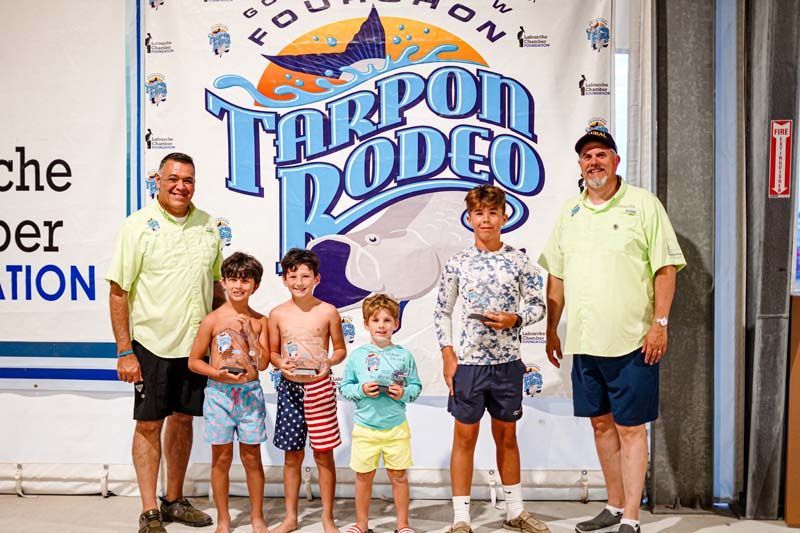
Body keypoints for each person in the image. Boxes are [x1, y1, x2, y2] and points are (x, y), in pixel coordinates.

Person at [538, 129, 686, 533]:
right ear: (580, 166)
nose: (593, 162)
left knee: (631, 428)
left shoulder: (643, 205)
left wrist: (660, 324)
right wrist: (552, 328)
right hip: (585, 343)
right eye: (586, 157)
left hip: (633, 342)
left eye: (601, 154)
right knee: (600, 424)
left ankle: (633, 518)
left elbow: (666, 268)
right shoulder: (571, 212)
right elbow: (557, 275)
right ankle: (616, 505)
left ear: (616, 161)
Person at [107, 152, 223, 533]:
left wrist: (225, 341)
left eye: (188, 180)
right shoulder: (137, 226)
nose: (180, 186)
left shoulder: (208, 226)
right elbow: (118, 291)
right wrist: (125, 351)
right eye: (173, 178)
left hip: (194, 347)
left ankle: (173, 500)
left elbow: (217, 286)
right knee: (149, 425)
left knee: (184, 419)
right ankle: (148, 511)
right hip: (151, 344)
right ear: (158, 180)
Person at [434, 185, 549, 533]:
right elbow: (442, 311)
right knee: (464, 438)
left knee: (507, 437)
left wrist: (516, 319)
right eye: (479, 213)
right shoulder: (458, 263)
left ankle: (515, 510)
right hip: (468, 365)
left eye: (492, 212)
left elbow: (538, 306)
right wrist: (448, 354)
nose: (486, 219)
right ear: (470, 219)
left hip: (507, 364)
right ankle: (461, 518)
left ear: (504, 216)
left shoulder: (518, 261)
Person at [188, 252, 270, 533]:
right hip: (219, 395)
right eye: (233, 279)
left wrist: (253, 337)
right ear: (223, 282)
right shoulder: (212, 320)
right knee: (220, 458)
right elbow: (194, 361)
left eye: (245, 281)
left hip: (250, 395)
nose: (238, 286)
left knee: (252, 457)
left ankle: (257, 517)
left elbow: (264, 363)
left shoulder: (261, 320)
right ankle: (224, 519)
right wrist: (216, 373)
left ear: (255, 285)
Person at [267, 248, 347, 533]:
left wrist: (329, 362)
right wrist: (281, 365)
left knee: (324, 453)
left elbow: (340, 349)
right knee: (292, 454)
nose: (299, 281)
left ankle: (328, 517)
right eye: (293, 276)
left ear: (317, 278)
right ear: (284, 280)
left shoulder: (328, 311)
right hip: (290, 389)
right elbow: (272, 353)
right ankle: (290, 517)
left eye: (305, 276)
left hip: (320, 388)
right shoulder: (277, 314)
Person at [340, 294, 423, 533]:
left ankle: (403, 524)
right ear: (366, 324)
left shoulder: (404, 356)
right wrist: (361, 389)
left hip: (396, 428)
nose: (382, 325)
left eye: (387, 320)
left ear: (396, 324)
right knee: (363, 477)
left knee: (399, 476)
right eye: (376, 320)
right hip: (365, 428)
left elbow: (416, 387)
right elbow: (345, 387)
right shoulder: (357, 356)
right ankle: (361, 524)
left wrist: (403, 393)